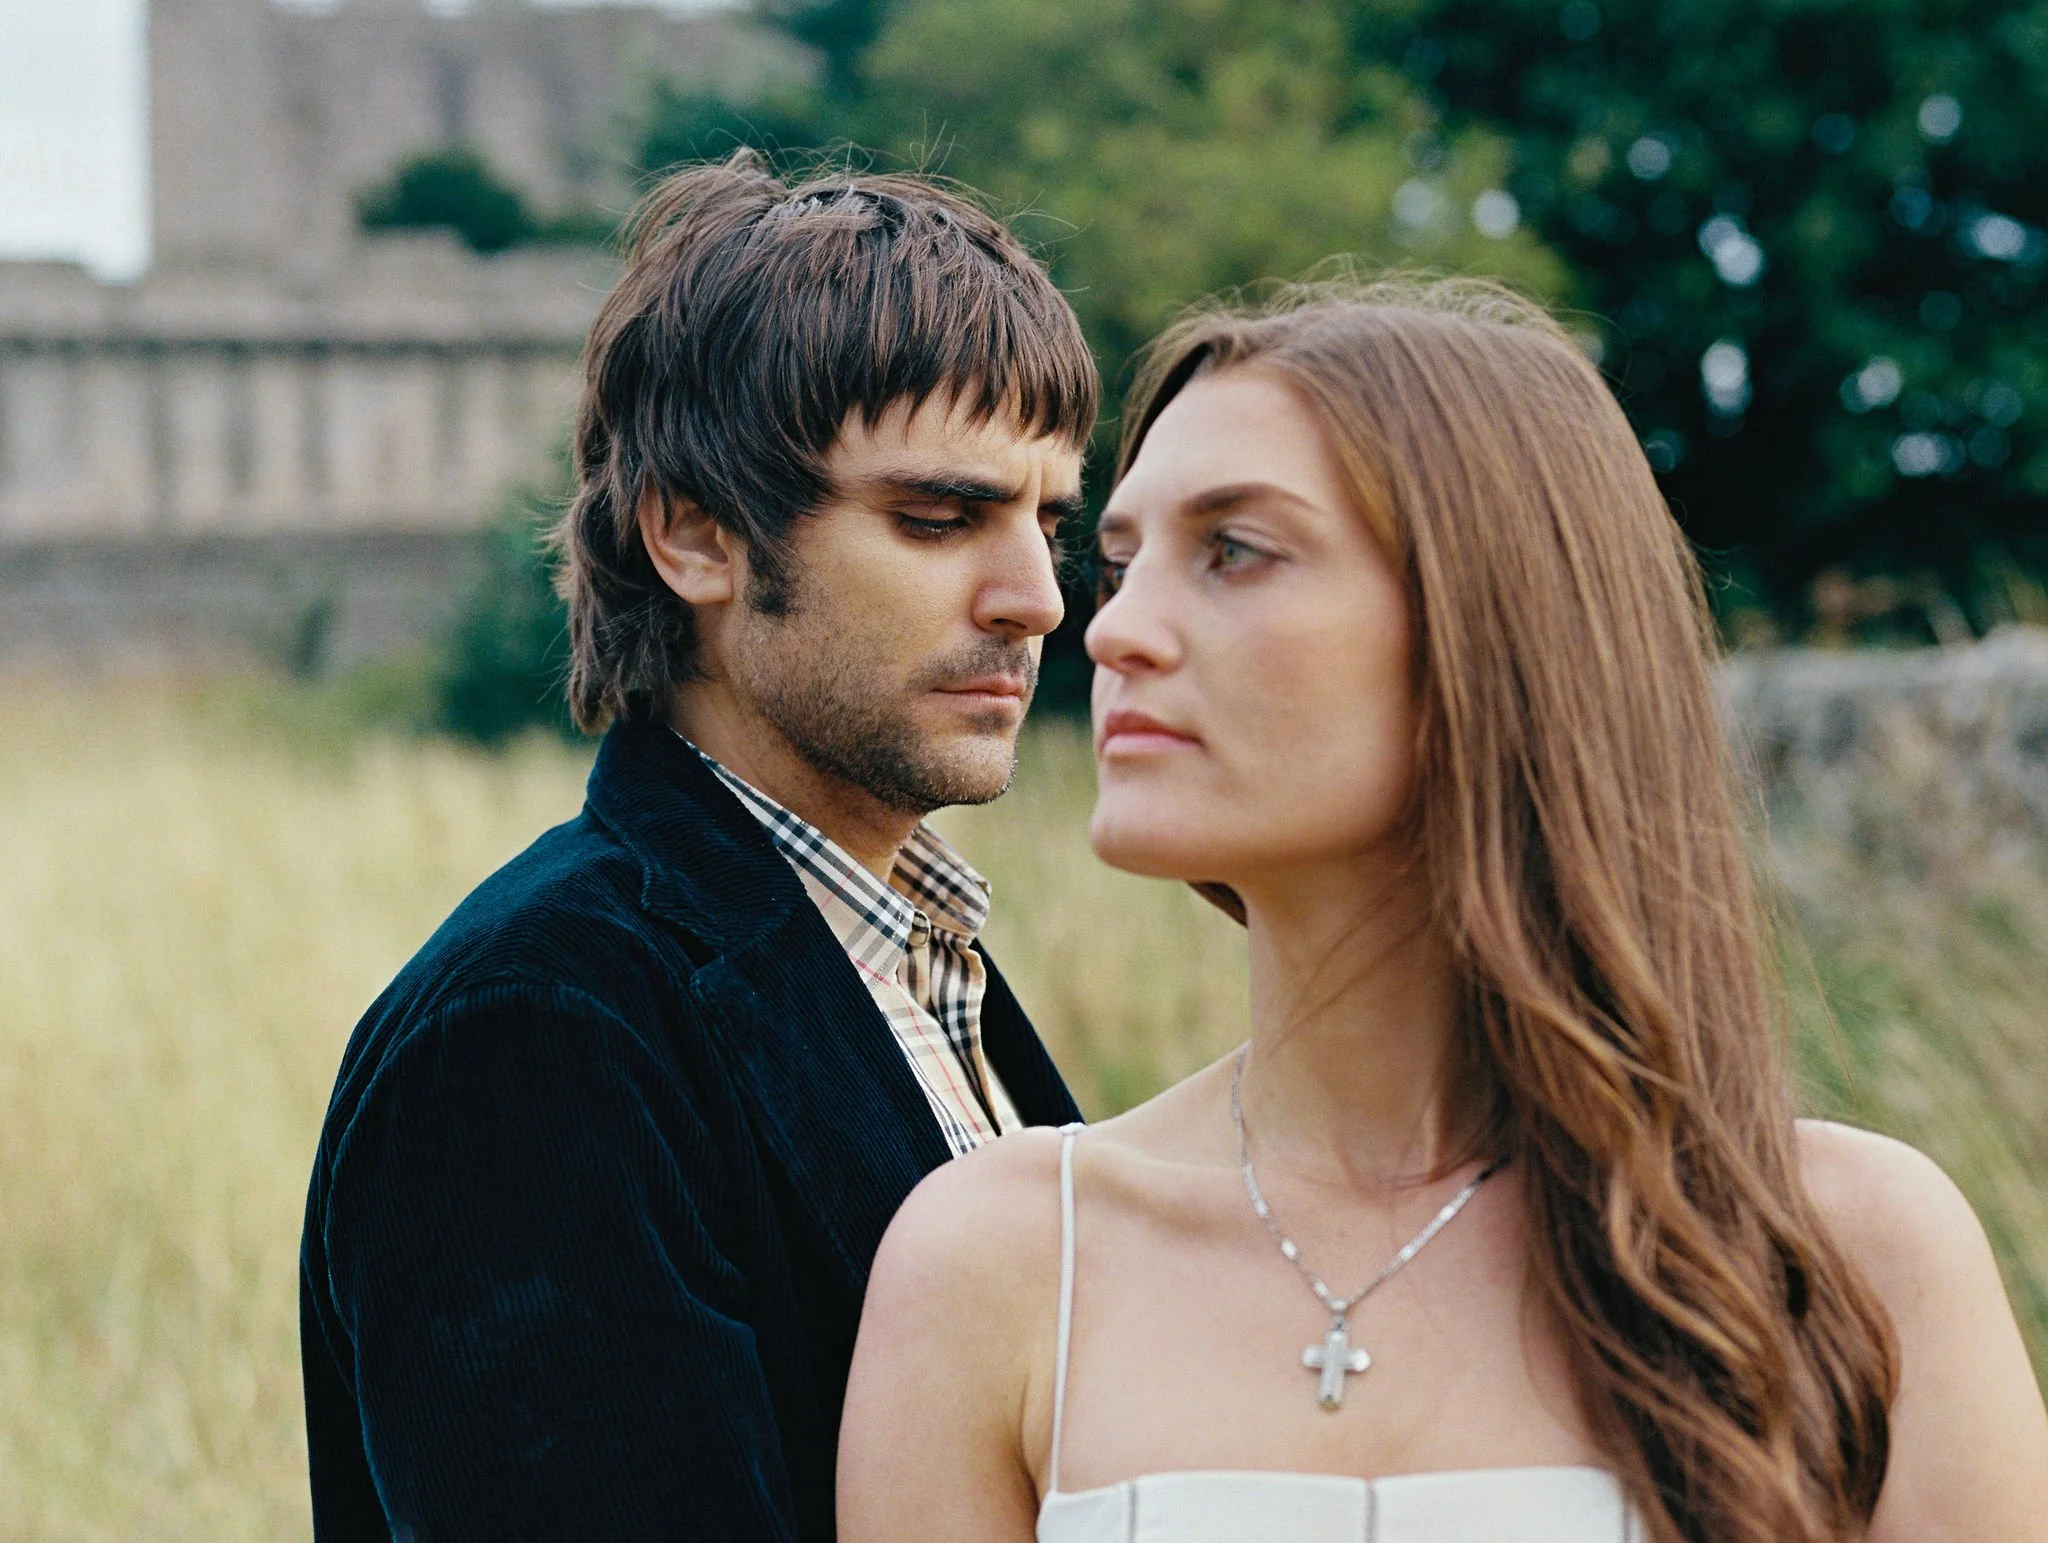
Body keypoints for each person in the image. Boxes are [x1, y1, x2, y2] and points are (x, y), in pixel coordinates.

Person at [837, 278, 2048, 1543]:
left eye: (1235, 550)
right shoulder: (1000, 1259)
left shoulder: (1847, 1251)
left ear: (1497, 620)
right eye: (1125, 562)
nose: (1112, 629)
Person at [299, 152, 1097, 1542]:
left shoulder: (918, 962)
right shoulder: (536, 1028)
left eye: (1049, 521)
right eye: (938, 516)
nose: (1036, 597)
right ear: (693, 534)